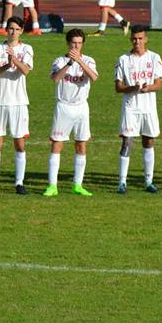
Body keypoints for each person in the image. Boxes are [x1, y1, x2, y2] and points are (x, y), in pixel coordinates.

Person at [44, 28, 98, 197]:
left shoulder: (89, 60)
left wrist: (80, 62)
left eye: (79, 43)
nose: (76, 46)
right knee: (57, 145)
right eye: (73, 43)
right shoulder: (59, 61)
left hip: (81, 107)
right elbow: (55, 78)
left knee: (81, 145)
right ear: (68, 43)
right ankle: (52, 185)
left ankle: (78, 185)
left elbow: (94, 77)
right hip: (64, 107)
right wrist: (69, 63)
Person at [0, 16, 34, 195]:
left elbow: (26, 70)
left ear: (21, 31)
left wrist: (15, 60)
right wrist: (7, 64)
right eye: (10, 28)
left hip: (19, 101)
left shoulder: (27, 48)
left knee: (20, 143)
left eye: (16, 29)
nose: (13, 32)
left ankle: (19, 183)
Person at [115, 24, 162, 194]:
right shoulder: (123, 59)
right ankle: (122, 183)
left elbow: (158, 85)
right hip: (130, 108)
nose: (137, 42)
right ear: (131, 39)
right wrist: (132, 88)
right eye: (135, 39)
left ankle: (148, 181)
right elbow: (118, 87)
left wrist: (146, 88)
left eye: (140, 38)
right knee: (127, 142)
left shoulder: (155, 58)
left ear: (146, 39)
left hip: (149, 108)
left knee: (148, 141)